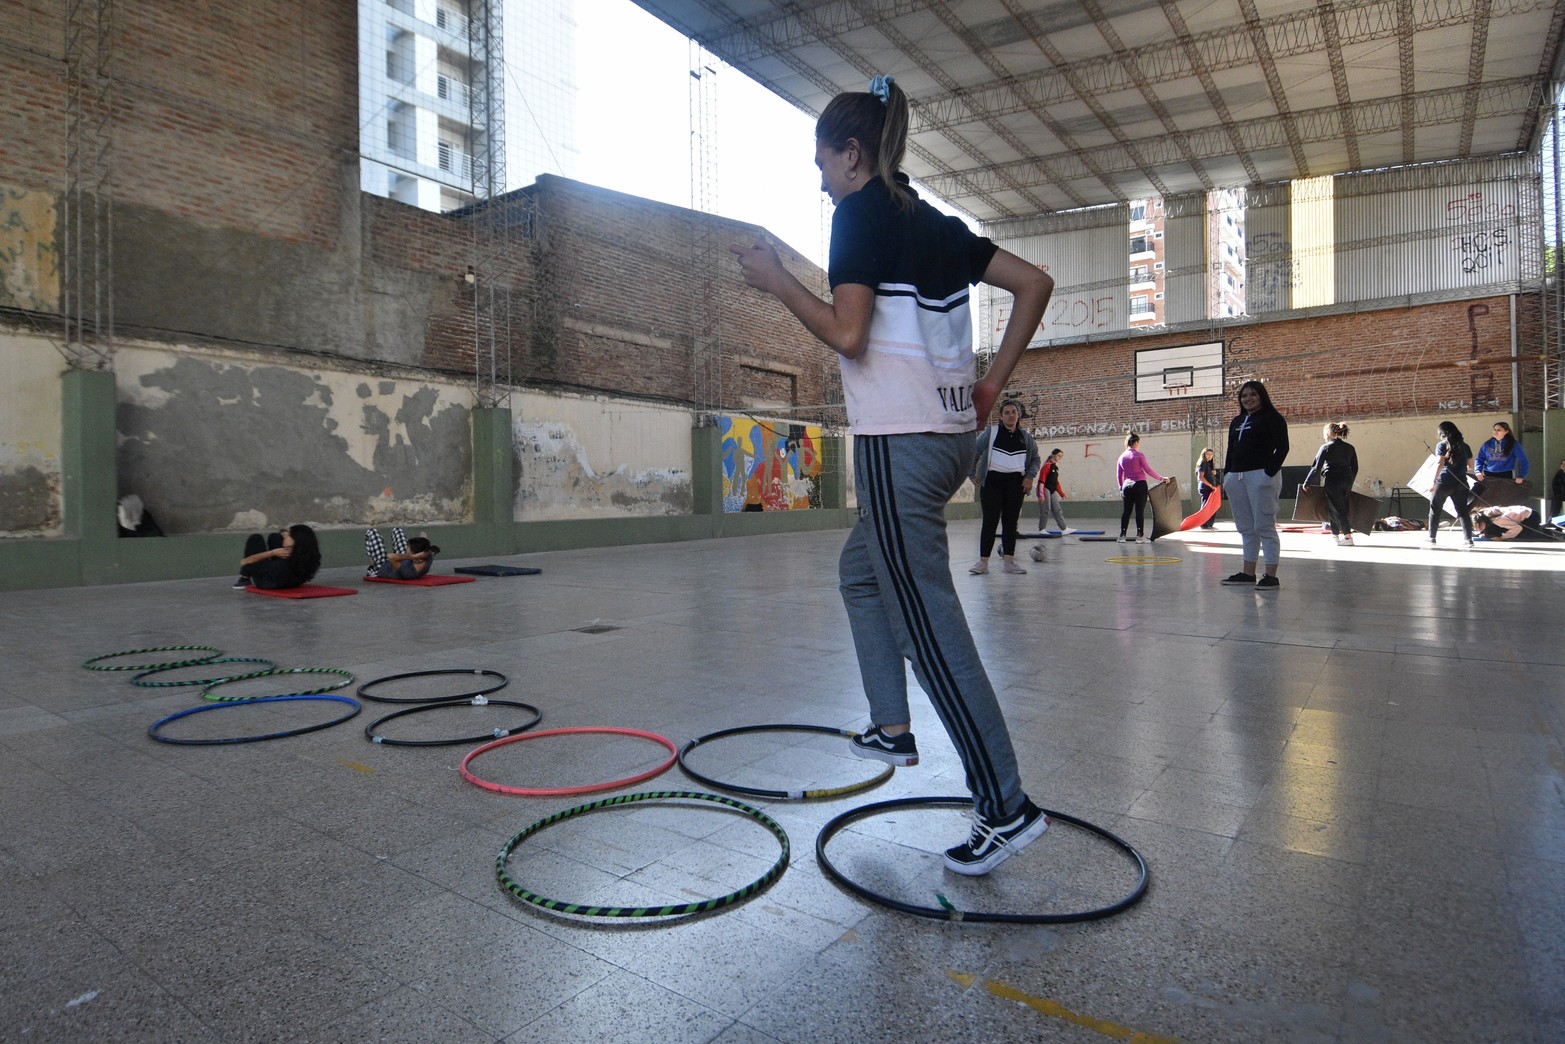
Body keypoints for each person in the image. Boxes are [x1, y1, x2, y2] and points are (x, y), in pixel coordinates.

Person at [730, 74, 1054, 876]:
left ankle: (1005, 806)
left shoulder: (858, 214)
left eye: (821, 162)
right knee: (859, 575)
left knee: (931, 629)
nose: (818, 178)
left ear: (851, 154)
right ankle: (890, 724)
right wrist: (989, 384)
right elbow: (1035, 284)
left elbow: (847, 333)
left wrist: (776, 282)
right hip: (949, 440)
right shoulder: (930, 220)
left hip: (896, 444)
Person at [1220, 381, 1290, 589]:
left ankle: (1270, 575)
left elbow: (1283, 448)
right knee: (1246, 528)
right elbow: (1231, 450)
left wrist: (1268, 473)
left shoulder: (1272, 418)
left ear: (1261, 396)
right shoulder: (1237, 421)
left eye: (1253, 395)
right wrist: (1228, 475)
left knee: (1264, 526)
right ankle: (1248, 573)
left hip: (1261, 476)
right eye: (1244, 396)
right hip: (1236, 478)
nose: (1248, 399)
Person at [970, 399, 1040, 575]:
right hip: (993, 483)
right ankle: (982, 563)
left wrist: (1029, 477)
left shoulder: (1025, 437)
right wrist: (971, 473)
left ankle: (1009, 562)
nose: (1011, 415)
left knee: (1010, 523)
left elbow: (1036, 460)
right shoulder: (991, 433)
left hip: (1015, 485)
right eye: (1007, 412)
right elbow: (974, 451)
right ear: (1001, 416)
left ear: (1018, 415)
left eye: (1013, 412)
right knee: (990, 522)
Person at [1302, 422, 1359, 546]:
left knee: (1338, 508)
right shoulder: (1350, 447)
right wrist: (1350, 480)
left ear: (1328, 433)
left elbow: (1316, 467)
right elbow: (1355, 467)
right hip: (1347, 479)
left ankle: (1348, 537)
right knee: (1334, 506)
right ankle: (1335, 535)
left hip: (1333, 479)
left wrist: (1307, 482)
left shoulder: (1326, 447)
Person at [1428, 420, 1475, 548]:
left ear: (1442, 433)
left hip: (1443, 483)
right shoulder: (1466, 446)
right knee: (1463, 512)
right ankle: (1468, 540)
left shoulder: (1441, 445)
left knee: (1435, 510)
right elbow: (1471, 466)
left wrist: (1433, 482)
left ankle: (1431, 538)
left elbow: (1439, 463)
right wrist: (1458, 464)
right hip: (1461, 483)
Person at [1114, 432, 1168, 543]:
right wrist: (1161, 478)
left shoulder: (1121, 457)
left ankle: (1122, 536)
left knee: (1126, 511)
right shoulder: (1139, 455)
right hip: (1139, 485)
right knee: (1139, 511)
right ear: (1136, 442)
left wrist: (1120, 488)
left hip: (1126, 486)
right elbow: (1148, 470)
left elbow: (1119, 475)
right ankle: (1140, 536)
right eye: (1139, 443)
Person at [234, 524, 321, 590]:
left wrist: (272, 553)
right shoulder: (304, 555)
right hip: (292, 581)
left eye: (289, 535)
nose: (285, 536)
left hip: (267, 582)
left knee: (255, 539)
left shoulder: (281, 566)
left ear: (296, 540)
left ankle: (244, 578)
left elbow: (245, 562)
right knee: (275, 536)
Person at [365, 526, 439, 580]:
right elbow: (424, 536)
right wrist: (422, 540)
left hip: (383, 567)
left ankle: (372, 568)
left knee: (372, 532)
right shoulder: (427, 556)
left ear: (416, 556)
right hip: (405, 559)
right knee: (397, 530)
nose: (406, 548)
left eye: (408, 548)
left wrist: (412, 557)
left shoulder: (408, 571)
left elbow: (390, 557)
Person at [1475, 421, 1529, 485]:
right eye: (1494, 429)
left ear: (1506, 432)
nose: (1495, 432)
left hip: (1506, 474)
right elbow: (1479, 459)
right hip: (1488, 474)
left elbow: (1524, 461)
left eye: (1499, 430)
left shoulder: (1513, 444)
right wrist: (1478, 471)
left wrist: (1521, 476)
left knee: (1504, 494)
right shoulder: (1487, 444)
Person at [1037, 448, 1074, 533]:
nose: (1059, 457)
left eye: (1061, 456)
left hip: (1052, 490)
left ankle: (1064, 529)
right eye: (1058, 455)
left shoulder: (1055, 467)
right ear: (1053, 455)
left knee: (1057, 509)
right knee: (1046, 509)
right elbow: (1041, 481)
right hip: (1045, 488)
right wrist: (1041, 495)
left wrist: (1062, 494)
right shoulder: (1047, 466)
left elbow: (1056, 482)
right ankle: (1042, 529)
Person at [1195, 447, 1218, 529]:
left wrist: (1212, 473)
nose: (1210, 456)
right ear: (1204, 454)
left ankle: (1208, 523)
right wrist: (1211, 485)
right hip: (1205, 488)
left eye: (1211, 454)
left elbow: (1206, 474)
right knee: (1205, 505)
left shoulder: (1208, 464)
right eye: (1208, 454)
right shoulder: (1203, 463)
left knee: (1210, 505)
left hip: (1208, 488)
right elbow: (1201, 477)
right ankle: (1203, 523)